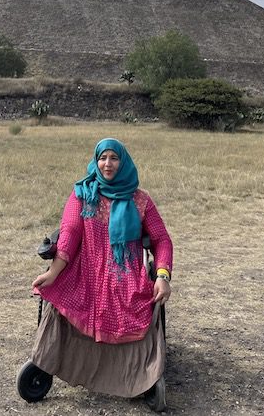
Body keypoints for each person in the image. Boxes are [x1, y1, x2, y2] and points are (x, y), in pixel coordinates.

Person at [30, 137, 173, 410]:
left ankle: (141, 376)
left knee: (136, 303)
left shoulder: (140, 200)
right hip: (85, 267)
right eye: (102, 158)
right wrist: (54, 271)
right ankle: (56, 360)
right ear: (96, 161)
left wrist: (163, 275)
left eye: (114, 158)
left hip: (124, 271)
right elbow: (70, 232)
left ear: (124, 161)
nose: (107, 164)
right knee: (63, 294)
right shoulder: (83, 193)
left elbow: (162, 240)